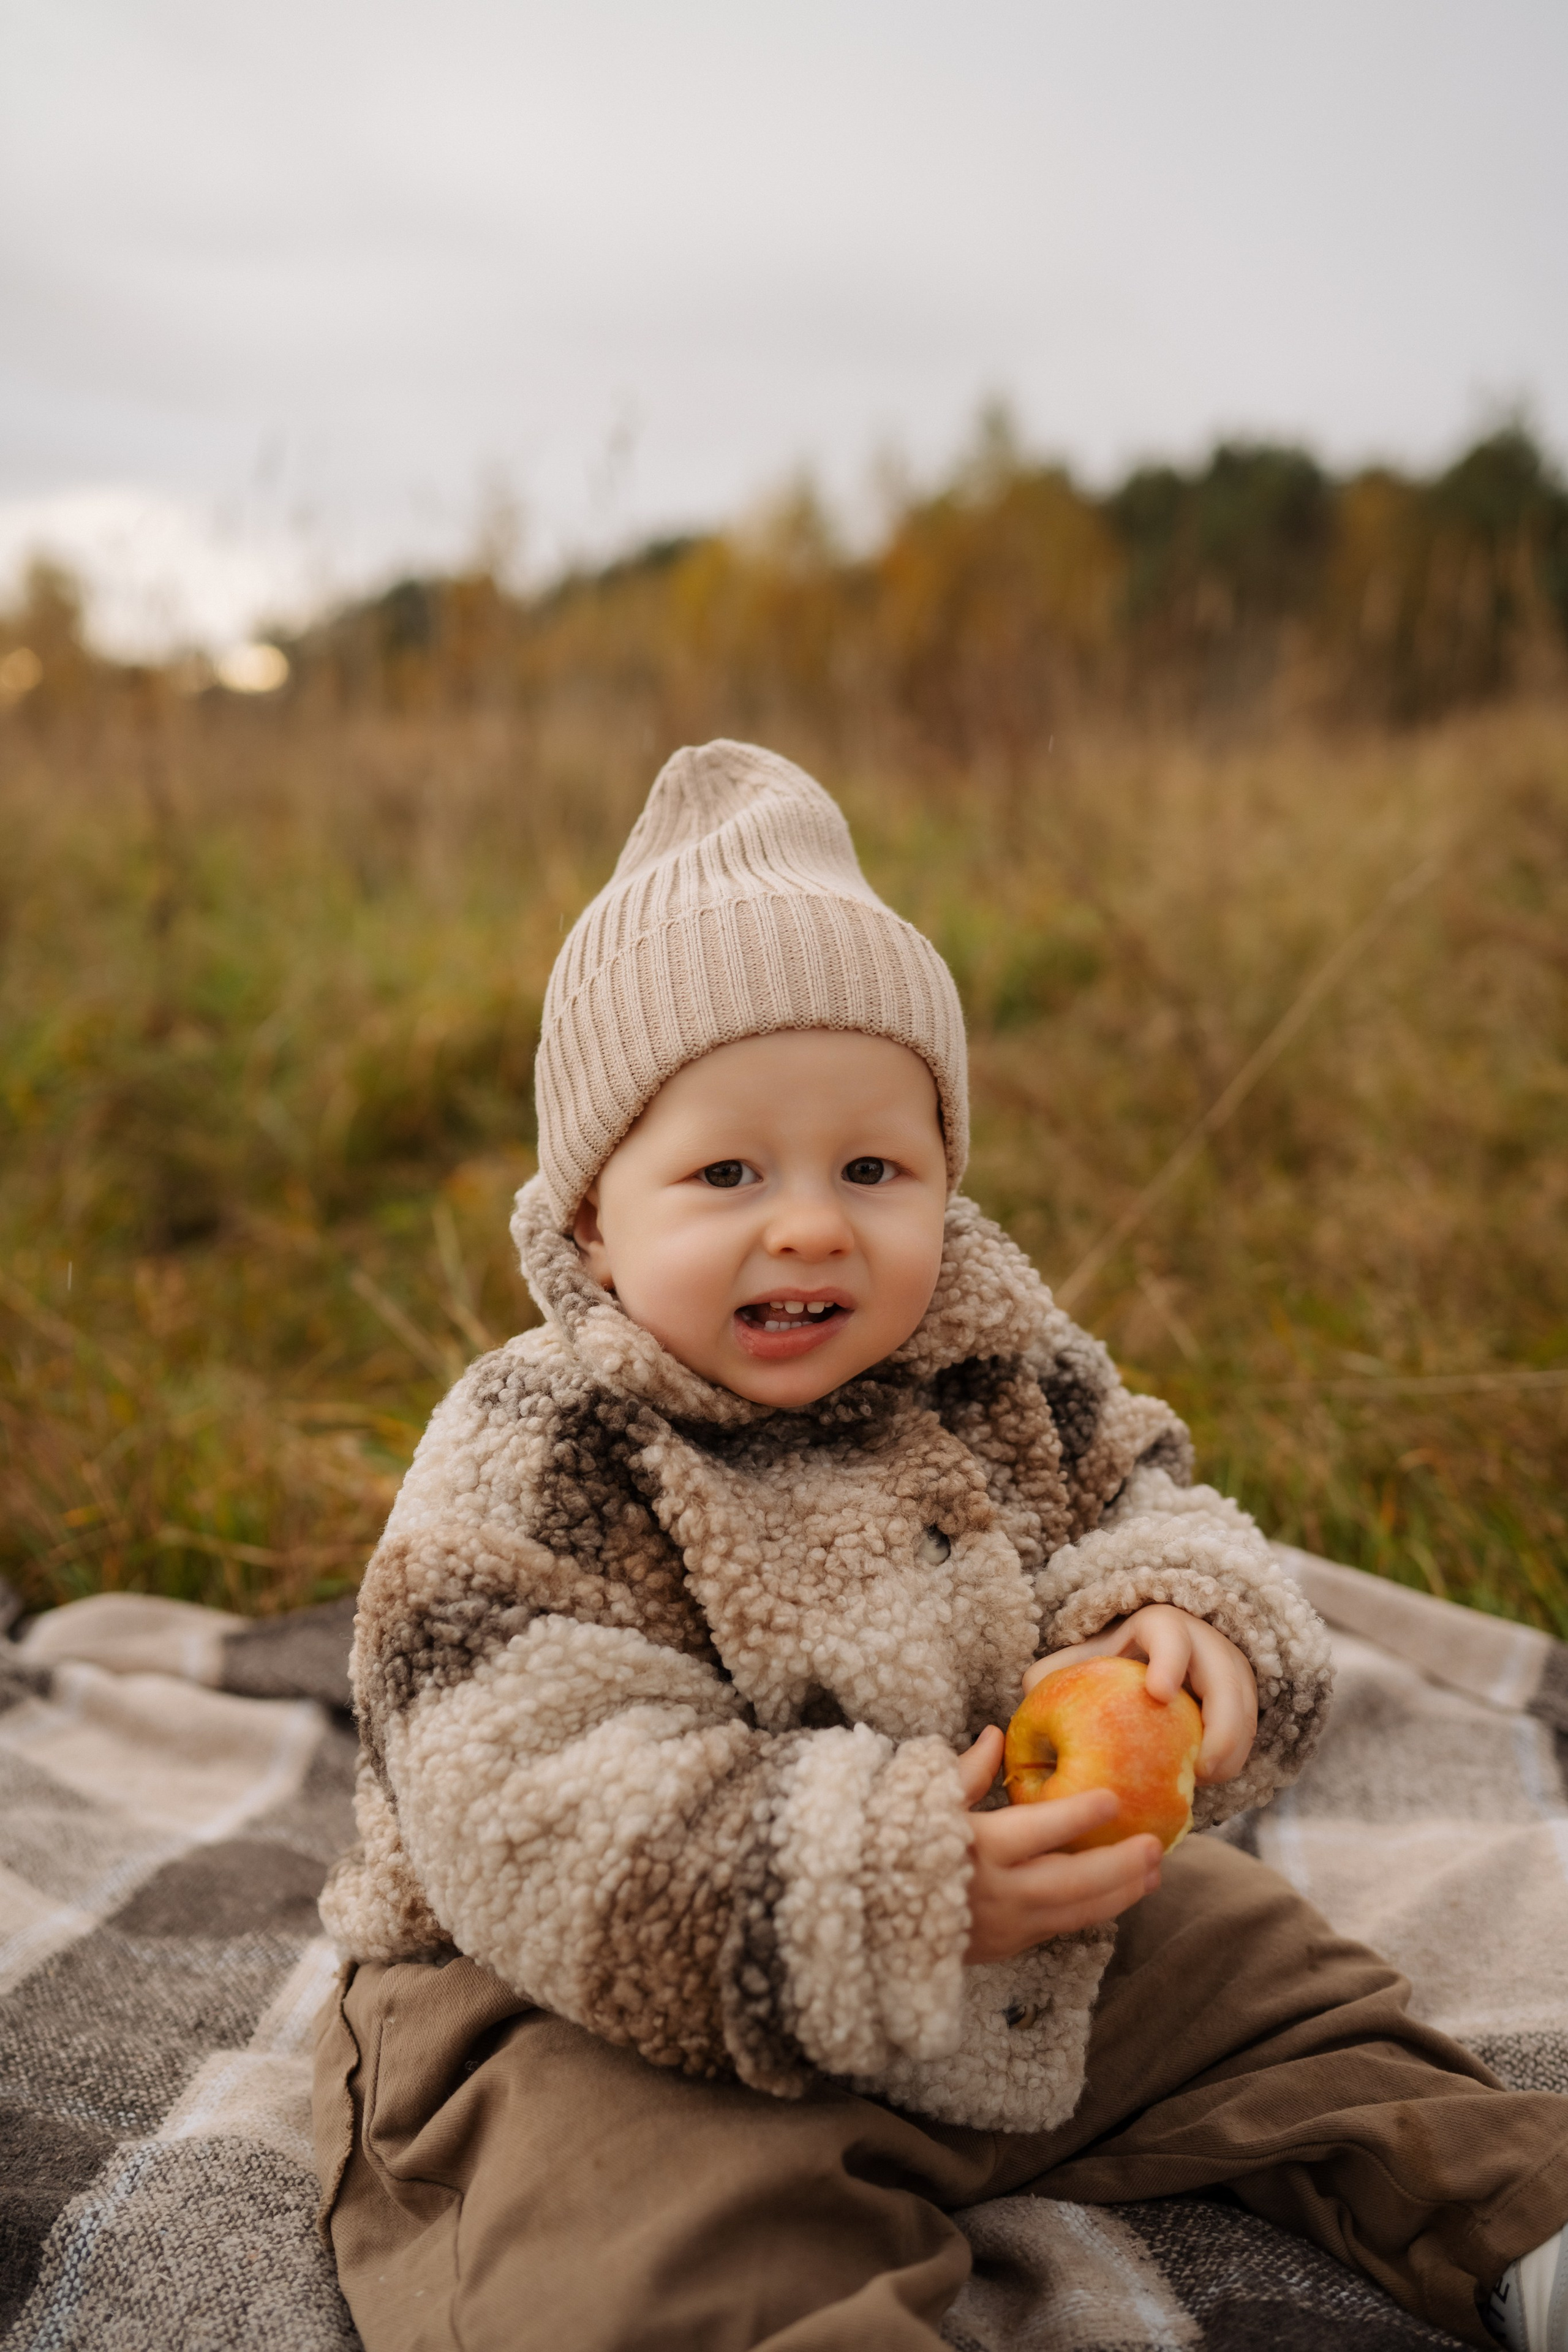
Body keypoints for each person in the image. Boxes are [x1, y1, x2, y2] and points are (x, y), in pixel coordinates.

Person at [313, 740, 1568, 2352]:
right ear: (591, 1224)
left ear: (944, 1176)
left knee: (1274, 1975)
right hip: (602, 1975)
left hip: (1008, 1921)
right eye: (725, 1172)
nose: (812, 1223)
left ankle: (1520, 2226)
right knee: (641, 2220)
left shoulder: (993, 1362)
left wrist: (1176, 1618)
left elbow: (1143, 1495)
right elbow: (520, 1795)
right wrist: (887, 1880)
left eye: (873, 1168)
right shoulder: (540, 1444)